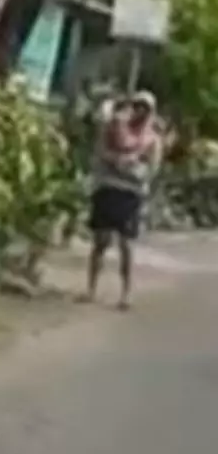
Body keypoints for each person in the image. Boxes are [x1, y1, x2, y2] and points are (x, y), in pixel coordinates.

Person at [85, 89, 162, 310]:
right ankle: (90, 290)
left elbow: (150, 169)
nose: (140, 112)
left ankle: (125, 294)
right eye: (137, 106)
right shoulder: (115, 128)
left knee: (126, 245)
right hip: (108, 188)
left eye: (145, 108)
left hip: (131, 194)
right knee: (100, 242)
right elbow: (100, 152)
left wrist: (127, 166)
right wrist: (122, 161)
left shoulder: (152, 139)